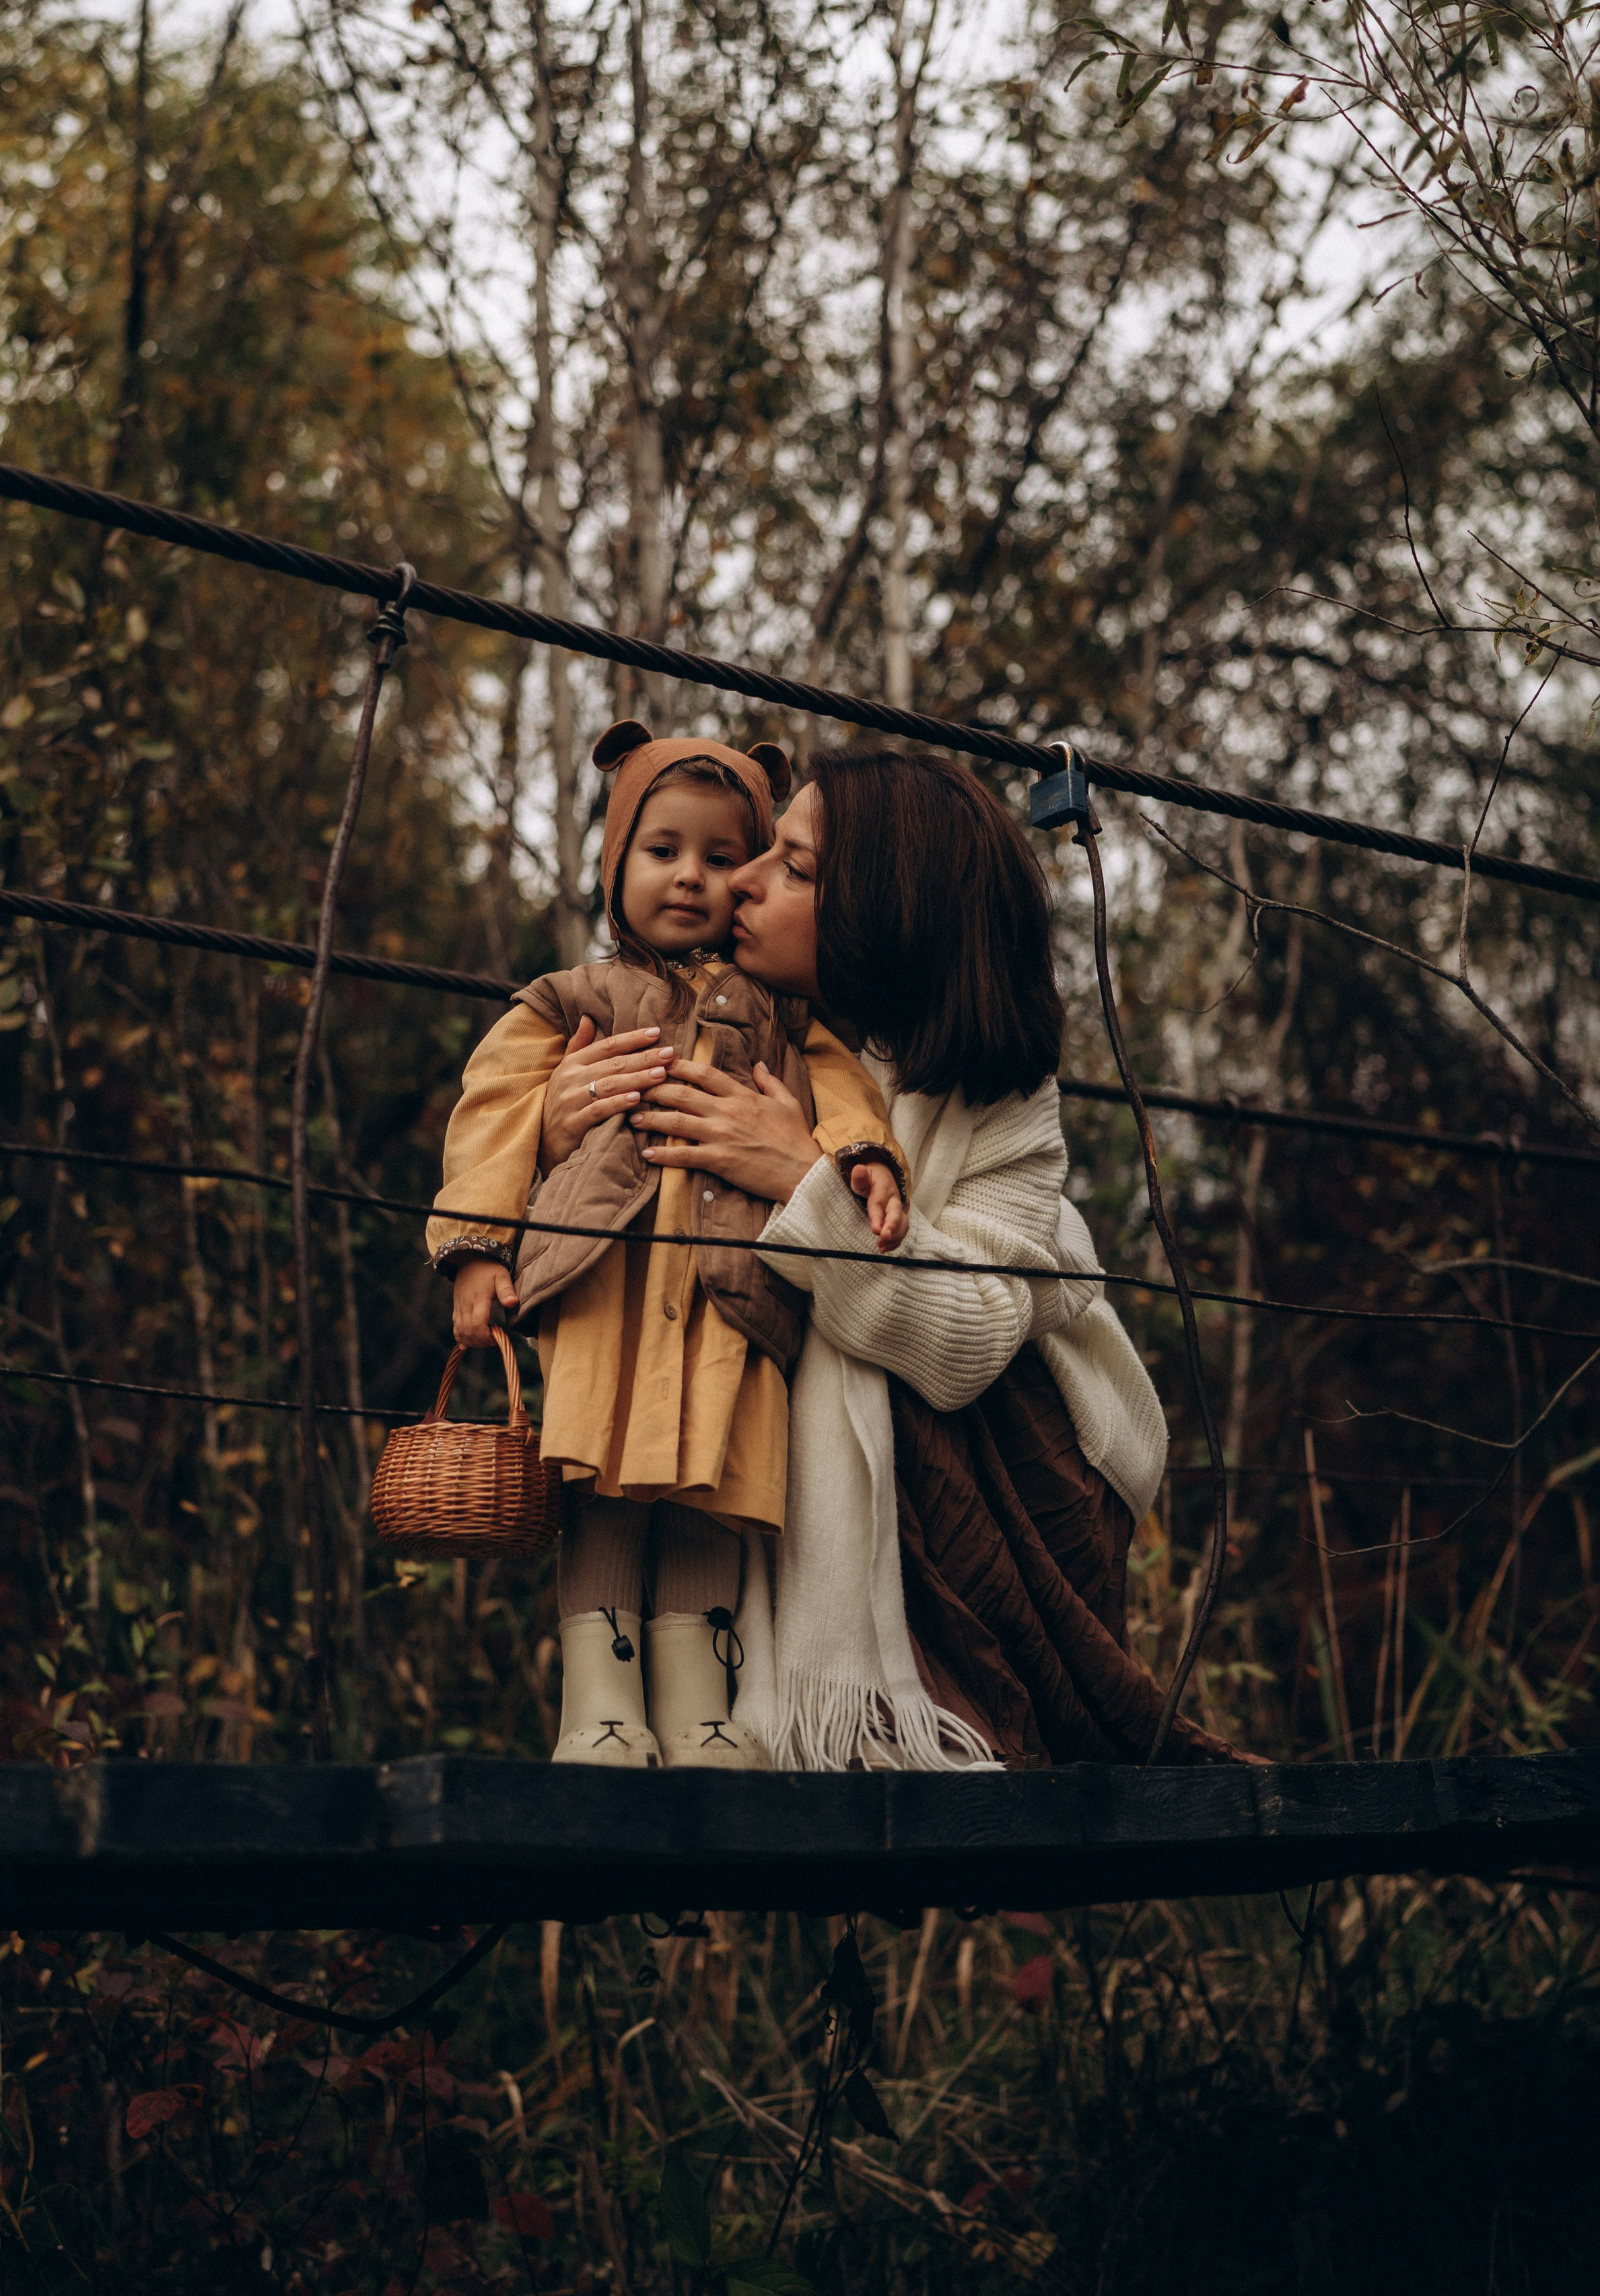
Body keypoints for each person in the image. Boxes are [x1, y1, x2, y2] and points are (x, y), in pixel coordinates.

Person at [627, 744, 1237, 1770]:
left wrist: (802, 1181)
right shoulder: (725, 1023)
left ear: (888, 908)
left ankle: (953, 1713)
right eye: (764, 853)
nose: (743, 880)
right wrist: (565, 1102)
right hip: (820, 1466)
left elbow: (965, 1349)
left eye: (797, 867)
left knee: (930, 1351)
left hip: (1025, 1481)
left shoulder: (1002, 1098)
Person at [425, 721, 909, 1773]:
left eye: (723, 857)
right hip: (605, 1285)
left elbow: (849, 1095)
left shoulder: (789, 1015)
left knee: (711, 1493)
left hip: (730, 1298)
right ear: (614, 865)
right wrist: (477, 1247)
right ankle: (598, 1705)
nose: (692, 877)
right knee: (599, 1485)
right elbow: (495, 1107)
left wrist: (864, 1155)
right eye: (663, 850)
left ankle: (703, 1711)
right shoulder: (576, 998)